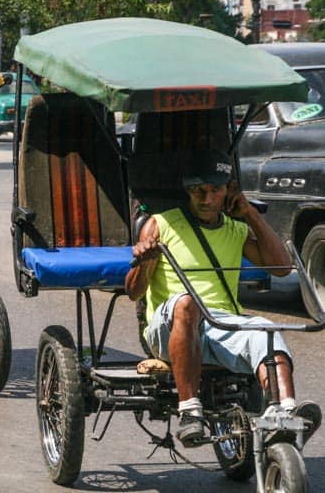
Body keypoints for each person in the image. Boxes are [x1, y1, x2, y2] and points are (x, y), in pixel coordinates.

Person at [125, 150, 321, 447]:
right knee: (187, 303)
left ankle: (285, 412)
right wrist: (146, 260)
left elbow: (281, 268)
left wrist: (250, 214)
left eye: (213, 190)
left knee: (266, 331)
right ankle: (190, 411)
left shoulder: (236, 230)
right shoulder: (160, 224)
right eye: (197, 191)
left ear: (229, 191)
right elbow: (133, 292)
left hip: (221, 325)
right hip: (168, 329)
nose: (205, 199)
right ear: (188, 192)